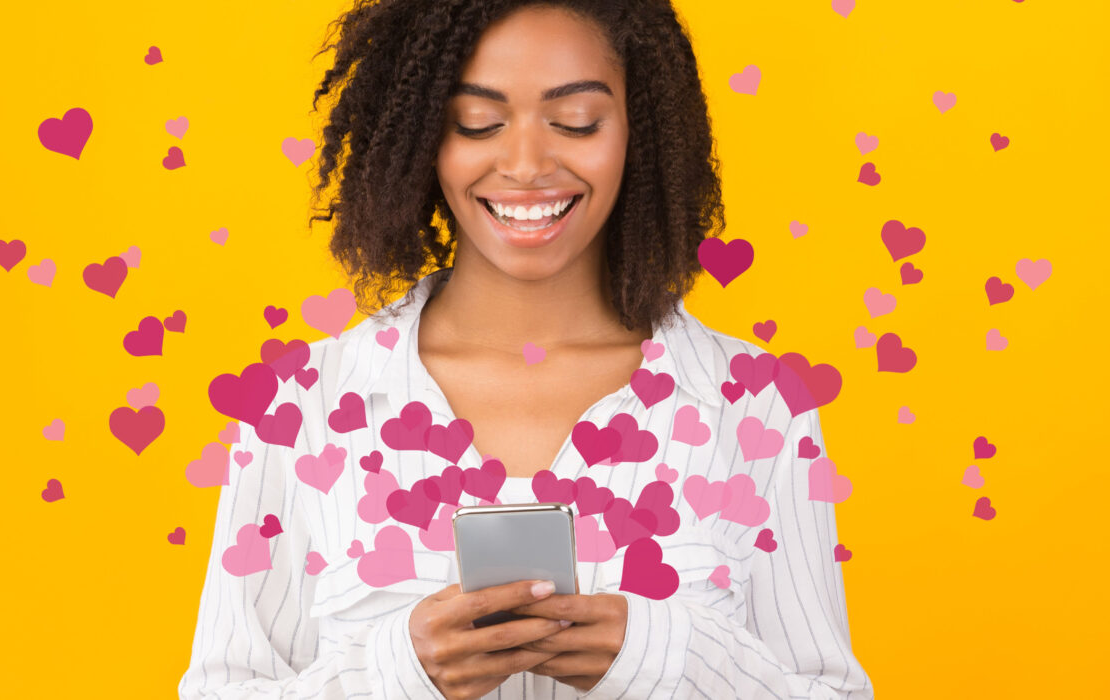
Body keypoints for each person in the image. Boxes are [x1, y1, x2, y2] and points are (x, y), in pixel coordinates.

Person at [178, 1, 874, 698]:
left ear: (643, 130)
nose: (526, 165)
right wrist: (394, 673)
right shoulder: (301, 407)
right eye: (476, 122)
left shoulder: (754, 406)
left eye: (576, 121)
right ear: (423, 135)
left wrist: (663, 656)